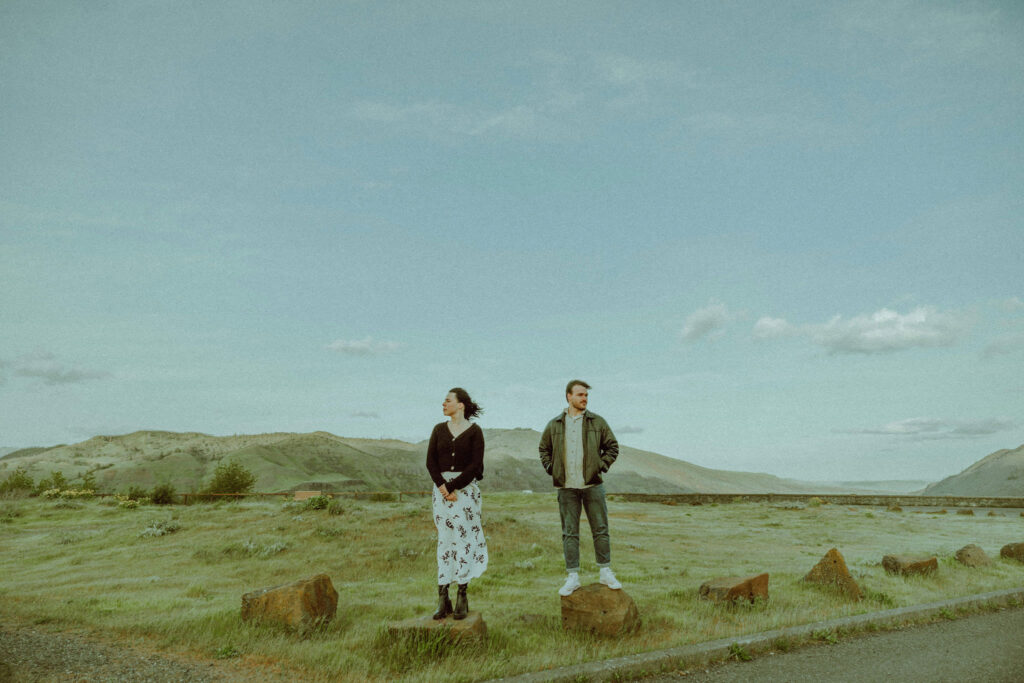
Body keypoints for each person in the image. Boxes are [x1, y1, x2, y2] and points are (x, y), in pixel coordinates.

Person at [538, 379, 621, 596]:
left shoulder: (597, 422)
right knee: (569, 533)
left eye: (586, 395)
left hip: (592, 485)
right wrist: (551, 468)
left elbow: (612, 447)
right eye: (580, 395)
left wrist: (599, 467)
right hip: (566, 488)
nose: (584, 399)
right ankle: (573, 576)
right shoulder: (554, 424)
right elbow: (543, 449)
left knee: (601, 529)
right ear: (569, 396)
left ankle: (605, 572)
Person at [425, 387, 488, 619]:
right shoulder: (438, 430)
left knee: (464, 540)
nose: (443, 404)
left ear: (460, 405)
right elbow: (430, 461)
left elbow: (475, 465)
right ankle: (443, 597)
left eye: (448, 400)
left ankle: (462, 593)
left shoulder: (475, 432)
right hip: (440, 493)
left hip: (465, 492)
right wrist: (443, 486)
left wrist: (453, 487)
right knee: (445, 540)